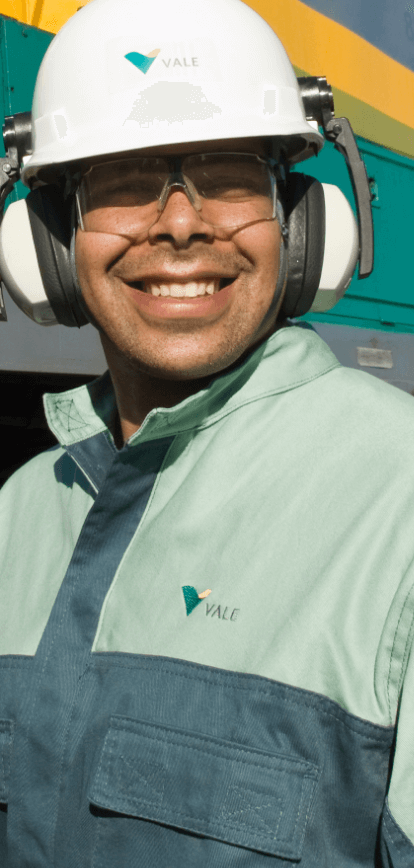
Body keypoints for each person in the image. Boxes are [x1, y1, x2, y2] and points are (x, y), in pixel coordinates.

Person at [0, 0, 413, 865]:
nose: (181, 224)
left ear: (299, 226)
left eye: (228, 176)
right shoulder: (19, 513)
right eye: (118, 179)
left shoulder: (398, 497)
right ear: (50, 245)